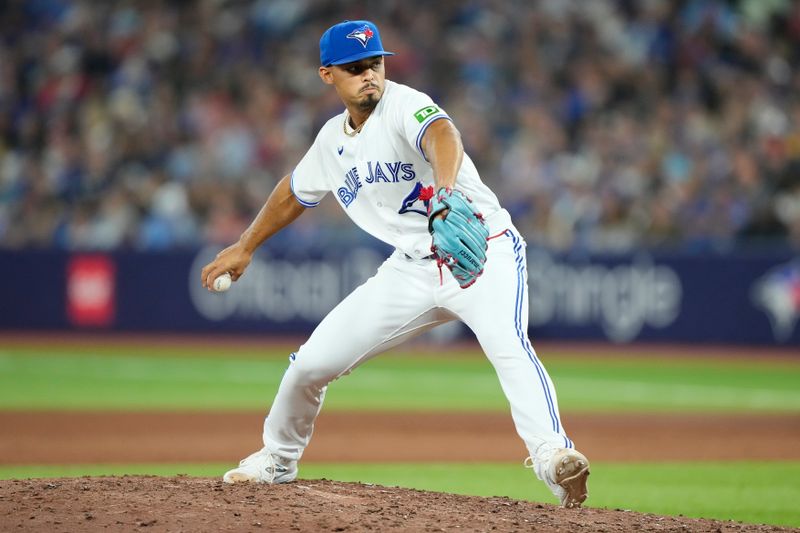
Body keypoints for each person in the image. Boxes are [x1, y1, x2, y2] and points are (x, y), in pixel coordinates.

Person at [200, 19, 590, 508]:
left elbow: (443, 135)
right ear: (327, 75)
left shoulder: (404, 105)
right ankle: (278, 458)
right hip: (410, 267)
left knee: (508, 346)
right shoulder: (331, 142)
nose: (369, 75)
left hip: (481, 251)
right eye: (355, 67)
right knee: (309, 366)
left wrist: (445, 193)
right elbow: (293, 193)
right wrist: (246, 244)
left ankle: (554, 456)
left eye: (376, 63)